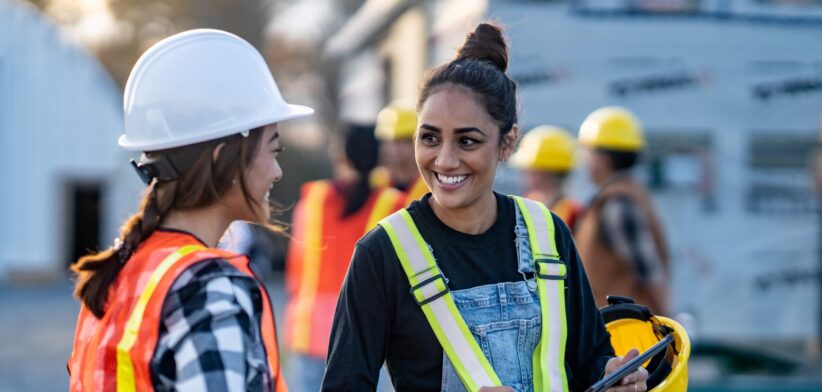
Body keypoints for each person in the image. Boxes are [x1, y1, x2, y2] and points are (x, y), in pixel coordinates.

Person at [322, 23, 648, 392]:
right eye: (429, 137)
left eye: (467, 141)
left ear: (507, 143)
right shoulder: (383, 254)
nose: (444, 161)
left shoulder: (548, 232)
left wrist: (613, 376)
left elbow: (590, 358)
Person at [68, 29, 312, 391]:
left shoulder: (119, 272)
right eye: (273, 150)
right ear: (223, 159)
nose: (277, 172)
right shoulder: (210, 289)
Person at [283, 123, 402, 391]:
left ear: (339, 156)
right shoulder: (394, 205)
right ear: (379, 157)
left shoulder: (312, 201)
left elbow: (296, 272)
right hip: (368, 339)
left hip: (308, 332)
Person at [574, 107, 670, 315]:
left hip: (622, 331)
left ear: (603, 158)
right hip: (617, 325)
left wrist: (665, 321)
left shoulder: (618, 203)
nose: (584, 160)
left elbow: (648, 271)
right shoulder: (623, 195)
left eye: (588, 152)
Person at [509, 126, 585, 231]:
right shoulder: (524, 204)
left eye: (528, 168)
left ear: (542, 171)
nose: (523, 173)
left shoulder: (574, 215)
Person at [373, 102, 429, 206]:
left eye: (402, 141)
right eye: (387, 141)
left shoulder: (429, 189)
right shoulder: (377, 183)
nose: (392, 150)